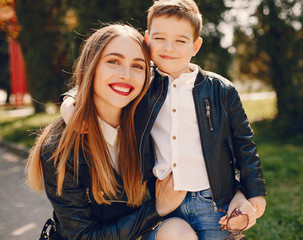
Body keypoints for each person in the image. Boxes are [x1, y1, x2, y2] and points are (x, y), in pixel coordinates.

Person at [61, 0, 267, 239]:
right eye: (160, 38)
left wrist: (255, 193)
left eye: (180, 40)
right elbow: (95, 84)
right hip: (163, 197)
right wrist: (69, 101)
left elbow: (244, 143)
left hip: (212, 200)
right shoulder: (143, 84)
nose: (169, 48)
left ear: (195, 45)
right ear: (147, 40)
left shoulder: (220, 89)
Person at [26, 24, 186, 240]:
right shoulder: (58, 146)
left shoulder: (152, 124)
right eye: (113, 61)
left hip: (142, 234)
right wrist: (157, 208)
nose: (126, 75)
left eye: (138, 66)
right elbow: (83, 236)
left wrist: (245, 196)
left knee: (178, 232)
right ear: (91, 67)